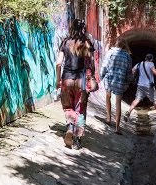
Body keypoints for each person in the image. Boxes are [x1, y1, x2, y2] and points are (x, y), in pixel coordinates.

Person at [55, 19, 94, 150]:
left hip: (66, 79)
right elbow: (90, 64)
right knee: (80, 109)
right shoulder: (87, 43)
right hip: (81, 81)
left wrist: (57, 80)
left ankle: (70, 127)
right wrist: (90, 79)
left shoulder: (65, 42)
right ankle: (77, 141)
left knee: (68, 107)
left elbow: (58, 63)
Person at [100, 38, 133, 134]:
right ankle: (117, 128)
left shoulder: (110, 52)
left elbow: (105, 66)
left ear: (116, 44)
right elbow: (129, 71)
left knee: (108, 96)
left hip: (109, 79)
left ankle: (108, 118)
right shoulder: (127, 56)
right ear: (124, 46)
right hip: (120, 81)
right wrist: (128, 82)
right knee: (118, 103)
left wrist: (102, 76)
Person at [124, 53, 156, 122]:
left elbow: (133, 70)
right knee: (155, 101)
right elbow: (154, 71)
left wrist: (130, 78)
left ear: (145, 58)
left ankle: (129, 111)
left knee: (136, 100)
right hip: (149, 86)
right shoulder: (151, 64)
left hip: (140, 85)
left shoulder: (139, 64)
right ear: (151, 59)